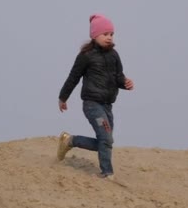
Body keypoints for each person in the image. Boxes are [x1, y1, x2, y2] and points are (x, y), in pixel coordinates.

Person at [57, 14, 134, 179]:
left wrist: (125, 83)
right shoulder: (86, 55)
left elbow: (118, 77)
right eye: (105, 34)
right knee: (106, 139)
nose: (109, 37)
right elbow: (73, 77)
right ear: (94, 35)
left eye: (111, 34)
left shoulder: (114, 55)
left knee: (106, 142)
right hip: (92, 104)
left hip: (107, 105)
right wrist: (63, 98)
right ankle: (107, 173)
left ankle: (70, 141)